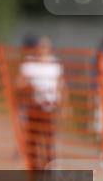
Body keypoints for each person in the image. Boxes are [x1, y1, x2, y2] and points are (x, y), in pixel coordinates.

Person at [15, 35, 66, 171]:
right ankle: (34, 170)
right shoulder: (29, 64)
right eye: (40, 47)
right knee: (33, 140)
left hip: (50, 108)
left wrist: (64, 105)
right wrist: (29, 87)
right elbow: (19, 84)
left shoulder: (55, 65)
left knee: (49, 140)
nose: (42, 49)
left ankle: (49, 168)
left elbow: (61, 85)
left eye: (45, 47)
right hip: (33, 107)